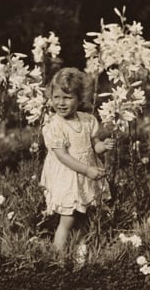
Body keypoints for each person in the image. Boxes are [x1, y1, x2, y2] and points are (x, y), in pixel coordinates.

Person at [40, 67, 114, 251]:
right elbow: (63, 157)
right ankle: (56, 255)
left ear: (80, 99)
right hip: (67, 176)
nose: (61, 102)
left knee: (83, 215)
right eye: (56, 97)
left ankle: (80, 249)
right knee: (68, 217)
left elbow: (93, 144)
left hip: (84, 175)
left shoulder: (87, 120)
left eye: (67, 97)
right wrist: (88, 170)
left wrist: (102, 147)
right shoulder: (54, 125)